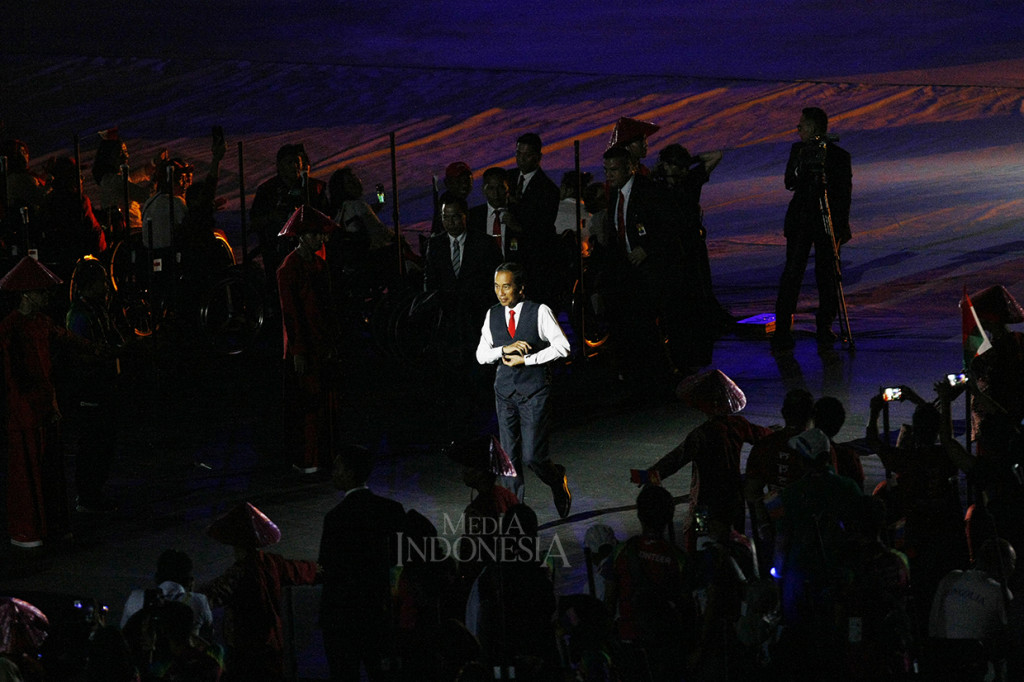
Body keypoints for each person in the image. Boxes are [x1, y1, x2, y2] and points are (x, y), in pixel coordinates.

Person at [0, 256, 95, 547]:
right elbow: (17, 377)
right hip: (24, 411)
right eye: (41, 291)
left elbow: (65, 338)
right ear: (27, 294)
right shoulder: (11, 329)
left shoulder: (38, 323)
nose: (46, 296)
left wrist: (99, 349)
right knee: (28, 473)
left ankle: (46, 527)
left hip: (39, 409)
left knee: (47, 472)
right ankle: (29, 530)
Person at [598, 145, 703, 388]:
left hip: (657, 270)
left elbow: (672, 228)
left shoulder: (649, 192)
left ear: (630, 168)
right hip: (632, 273)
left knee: (664, 322)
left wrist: (647, 249)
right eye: (606, 170)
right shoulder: (615, 195)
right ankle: (646, 374)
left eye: (614, 170)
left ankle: (675, 374)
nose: (609, 175)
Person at [475, 262, 572, 517]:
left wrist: (528, 360)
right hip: (504, 392)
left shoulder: (539, 312)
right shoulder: (492, 314)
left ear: (520, 288)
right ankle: (513, 514)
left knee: (532, 457)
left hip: (534, 391)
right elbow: (481, 354)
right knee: (507, 460)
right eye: (496, 286)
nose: (501, 292)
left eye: (506, 286)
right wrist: (503, 350)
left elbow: (563, 347)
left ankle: (556, 478)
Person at [642, 369, 773, 550]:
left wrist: (651, 475)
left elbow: (675, 459)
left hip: (705, 501)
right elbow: (763, 435)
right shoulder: (739, 425)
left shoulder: (701, 435)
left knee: (700, 537)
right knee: (735, 537)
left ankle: (700, 569)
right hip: (733, 497)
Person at [199, 501, 319, 682]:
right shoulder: (272, 563)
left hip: (246, 651)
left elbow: (208, 597)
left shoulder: (237, 573)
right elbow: (301, 570)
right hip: (273, 645)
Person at [318, 444, 407, 682]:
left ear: (349, 472)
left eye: (337, 467)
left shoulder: (336, 518)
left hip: (343, 617)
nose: (333, 472)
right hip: (380, 613)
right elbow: (402, 558)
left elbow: (326, 568)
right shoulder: (392, 510)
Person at [771, 106, 852, 353]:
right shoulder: (799, 151)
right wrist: (803, 160)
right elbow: (790, 182)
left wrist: (840, 227)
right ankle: (783, 328)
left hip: (826, 222)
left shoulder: (839, 156)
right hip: (802, 220)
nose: (798, 130)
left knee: (826, 274)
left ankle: (824, 325)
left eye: (802, 125)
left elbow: (843, 195)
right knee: (792, 273)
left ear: (814, 127)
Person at [424, 194, 502, 440]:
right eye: (446, 217)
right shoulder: (435, 245)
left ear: (466, 216)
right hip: (450, 320)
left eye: (455, 216)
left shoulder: (484, 243)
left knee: (478, 369)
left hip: (477, 317)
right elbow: (431, 281)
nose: (451, 222)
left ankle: (482, 416)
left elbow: (496, 281)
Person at [604, 485, 694, 681]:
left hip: (629, 641)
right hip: (665, 646)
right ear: (669, 517)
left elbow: (609, 603)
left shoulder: (621, 552)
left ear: (639, 515)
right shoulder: (678, 559)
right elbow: (687, 608)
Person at [276, 205, 339, 474]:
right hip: (304, 348)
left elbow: (328, 308)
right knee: (308, 405)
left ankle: (321, 458)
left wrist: (331, 343)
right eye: (315, 235)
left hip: (320, 345)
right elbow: (290, 314)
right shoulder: (289, 268)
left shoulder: (318, 264)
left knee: (324, 405)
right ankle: (307, 460)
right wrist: (298, 352)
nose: (321, 240)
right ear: (302, 236)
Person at [65, 257, 124, 512]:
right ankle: (87, 496)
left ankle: (94, 492)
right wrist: (103, 353)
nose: (106, 286)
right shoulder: (78, 314)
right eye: (102, 281)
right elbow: (76, 354)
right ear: (90, 285)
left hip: (105, 387)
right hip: (89, 389)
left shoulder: (98, 308)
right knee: (92, 444)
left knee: (105, 442)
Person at [928, 538, 1016, 682]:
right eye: (1012, 562)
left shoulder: (951, 578)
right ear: (1004, 564)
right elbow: (1011, 637)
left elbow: (933, 625)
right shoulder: (1000, 592)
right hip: (973, 669)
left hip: (939, 663)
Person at [250, 143, 330, 293]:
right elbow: (254, 222)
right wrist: (272, 217)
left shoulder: (314, 187)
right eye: (289, 162)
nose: (294, 166)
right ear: (279, 165)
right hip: (278, 250)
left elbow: (327, 217)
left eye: (297, 162)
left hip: (312, 250)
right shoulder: (267, 190)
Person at [505, 133, 561, 307]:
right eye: (518, 154)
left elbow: (543, 228)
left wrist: (518, 225)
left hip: (533, 261)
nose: (521, 159)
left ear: (538, 157)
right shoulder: (508, 179)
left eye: (526, 155)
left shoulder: (547, 189)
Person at [121, 549, 215, 641]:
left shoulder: (135, 597)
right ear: (189, 580)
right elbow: (208, 636)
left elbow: (123, 633)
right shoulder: (199, 600)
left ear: (157, 576)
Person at [91, 130, 165, 234]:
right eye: (122, 153)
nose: (126, 157)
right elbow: (145, 195)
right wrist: (158, 177)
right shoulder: (115, 181)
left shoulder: (109, 179)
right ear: (113, 157)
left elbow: (136, 175)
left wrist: (153, 164)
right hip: (131, 231)